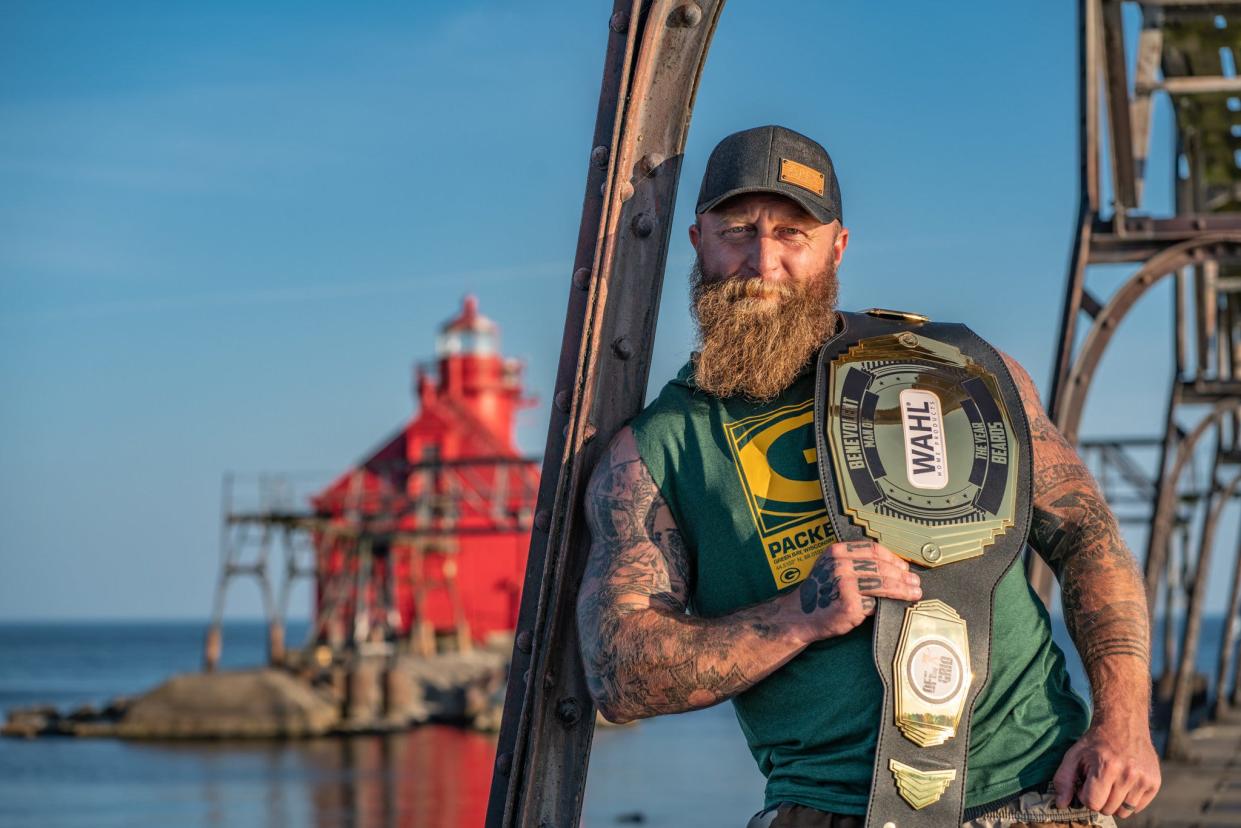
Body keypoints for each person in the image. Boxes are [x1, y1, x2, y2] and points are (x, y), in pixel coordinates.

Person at [575, 125, 1161, 826]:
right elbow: (619, 674)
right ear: (698, 240)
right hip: (829, 813)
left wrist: (1122, 724)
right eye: (737, 231)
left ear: (836, 247)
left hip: (1039, 796)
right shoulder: (655, 451)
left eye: (793, 233)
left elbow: (1086, 538)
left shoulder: (960, 371)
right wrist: (796, 616)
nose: (762, 261)